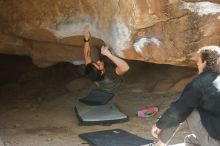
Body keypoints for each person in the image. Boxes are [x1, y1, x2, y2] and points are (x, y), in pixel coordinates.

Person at [151, 46, 220, 146]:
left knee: (187, 108)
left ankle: (160, 144)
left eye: (198, 61)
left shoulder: (201, 82)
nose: (197, 64)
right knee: (190, 141)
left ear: (205, 62)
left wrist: (159, 124)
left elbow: (180, 109)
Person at [83, 25, 129, 93]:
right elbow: (125, 68)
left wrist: (86, 39)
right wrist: (109, 54)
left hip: (99, 79)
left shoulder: (92, 69)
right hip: (113, 87)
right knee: (116, 58)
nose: (98, 61)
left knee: (94, 52)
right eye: (98, 64)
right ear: (102, 72)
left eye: (95, 62)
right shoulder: (110, 75)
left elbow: (86, 55)